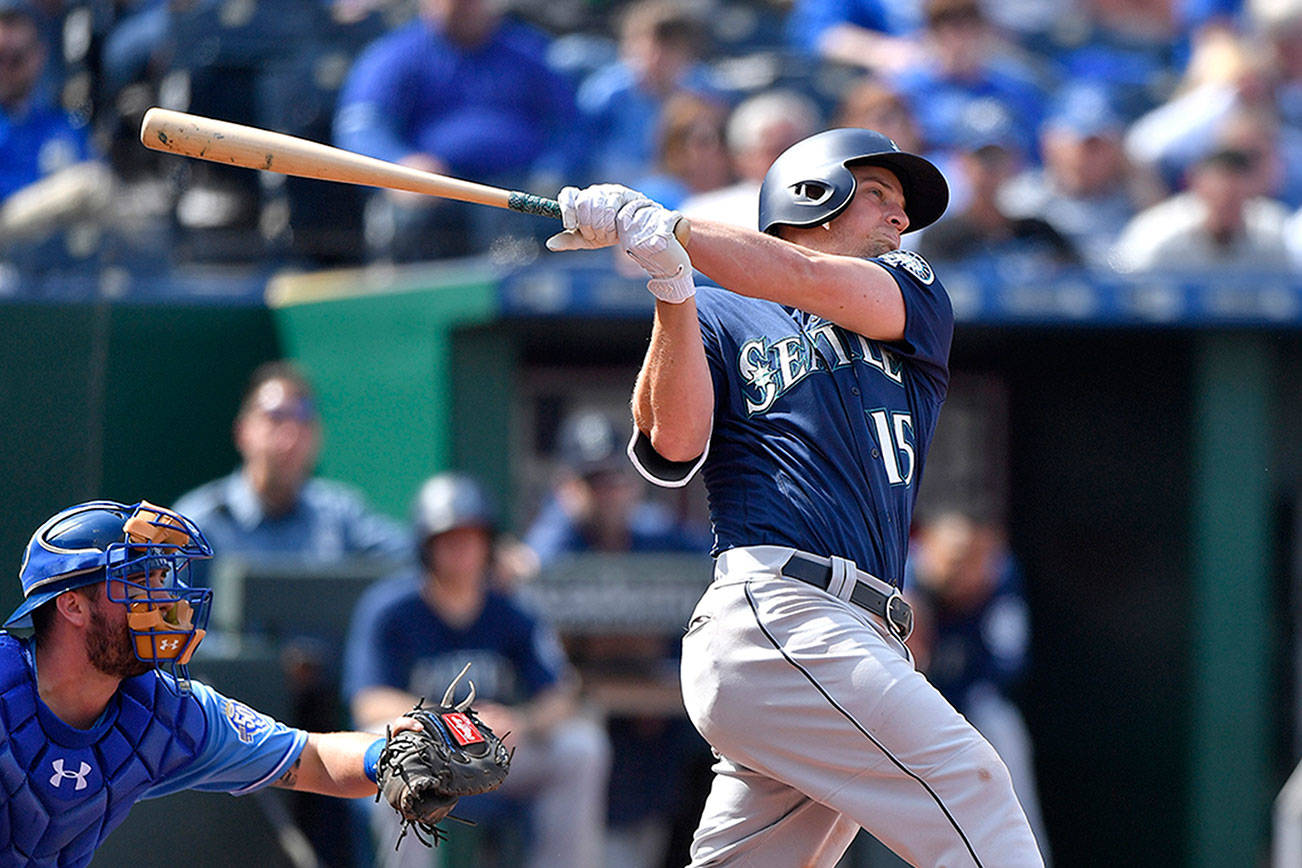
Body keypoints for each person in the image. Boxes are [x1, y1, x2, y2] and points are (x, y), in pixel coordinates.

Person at [545, 128, 1043, 864]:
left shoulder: (914, 294)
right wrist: (672, 286)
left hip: (857, 637)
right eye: (879, 197)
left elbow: (805, 279)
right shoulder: (719, 314)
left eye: (902, 207)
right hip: (781, 613)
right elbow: (672, 444)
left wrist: (671, 224)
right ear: (812, 195)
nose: (901, 220)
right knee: (973, 786)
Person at [0, 499, 424, 867]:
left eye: (159, 579)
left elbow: (310, 757)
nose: (163, 601)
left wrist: (385, 754)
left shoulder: (164, 712)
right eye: (136, 581)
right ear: (72, 604)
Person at [343, 472, 610, 868]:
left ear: (488, 544)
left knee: (581, 748)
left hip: (494, 752)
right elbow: (369, 702)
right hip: (427, 752)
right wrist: (449, 722)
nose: (462, 550)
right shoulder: (390, 609)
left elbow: (560, 694)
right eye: (448, 539)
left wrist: (522, 721)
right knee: (386, 751)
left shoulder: (511, 611)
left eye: (472, 537)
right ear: (426, 546)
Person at [332, 0, 577, 260]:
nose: (466, 9)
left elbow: (571, 125)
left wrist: (553, 169)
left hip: (519, 188)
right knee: (413, 216)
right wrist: (399, 165)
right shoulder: (395, 55)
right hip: (439, 194)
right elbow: (361, 128)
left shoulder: (527, 51)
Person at [173, 360, 409, 587]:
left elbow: (414, 560)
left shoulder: (341, 515)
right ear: (243, 432)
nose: (290, 437)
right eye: (275, 417)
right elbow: (165, 612)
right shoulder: (198, 524)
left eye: (303, 419)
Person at [905, 509, 1051, 864]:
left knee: (1000, 727)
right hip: (912, 713)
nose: (962, 570)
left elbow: (1008, 664)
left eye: (970, 560)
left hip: (972, 707)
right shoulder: (905, 578)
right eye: (952, 560)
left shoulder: (999, 575)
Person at [1111, 144, 1294, 273]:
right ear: (1199, 189)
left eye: (1235, 196)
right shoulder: (1158, 235)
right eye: (1220, 194)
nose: (1226, 202)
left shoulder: (1272, 234)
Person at [679, 89, 820, 229]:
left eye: (795, 147)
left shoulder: (830, 203)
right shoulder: (704, 213)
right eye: (773, 150)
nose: (786, 158)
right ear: (743, 158)